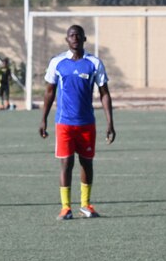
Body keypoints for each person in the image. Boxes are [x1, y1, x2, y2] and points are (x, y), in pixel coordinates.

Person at [39, 24, 116, 220]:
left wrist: (110, 123)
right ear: (67, 40)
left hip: (87, 123)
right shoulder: (57, 63)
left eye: (78, 35)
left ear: (84, 39)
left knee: (86, 163)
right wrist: (43, 119)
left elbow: (104, 93)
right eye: (71, 35)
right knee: (66, 163)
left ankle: (85, 205)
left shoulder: (94, 63)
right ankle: (66, 208)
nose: (74, 38)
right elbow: (49, 92)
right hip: (64, 123)